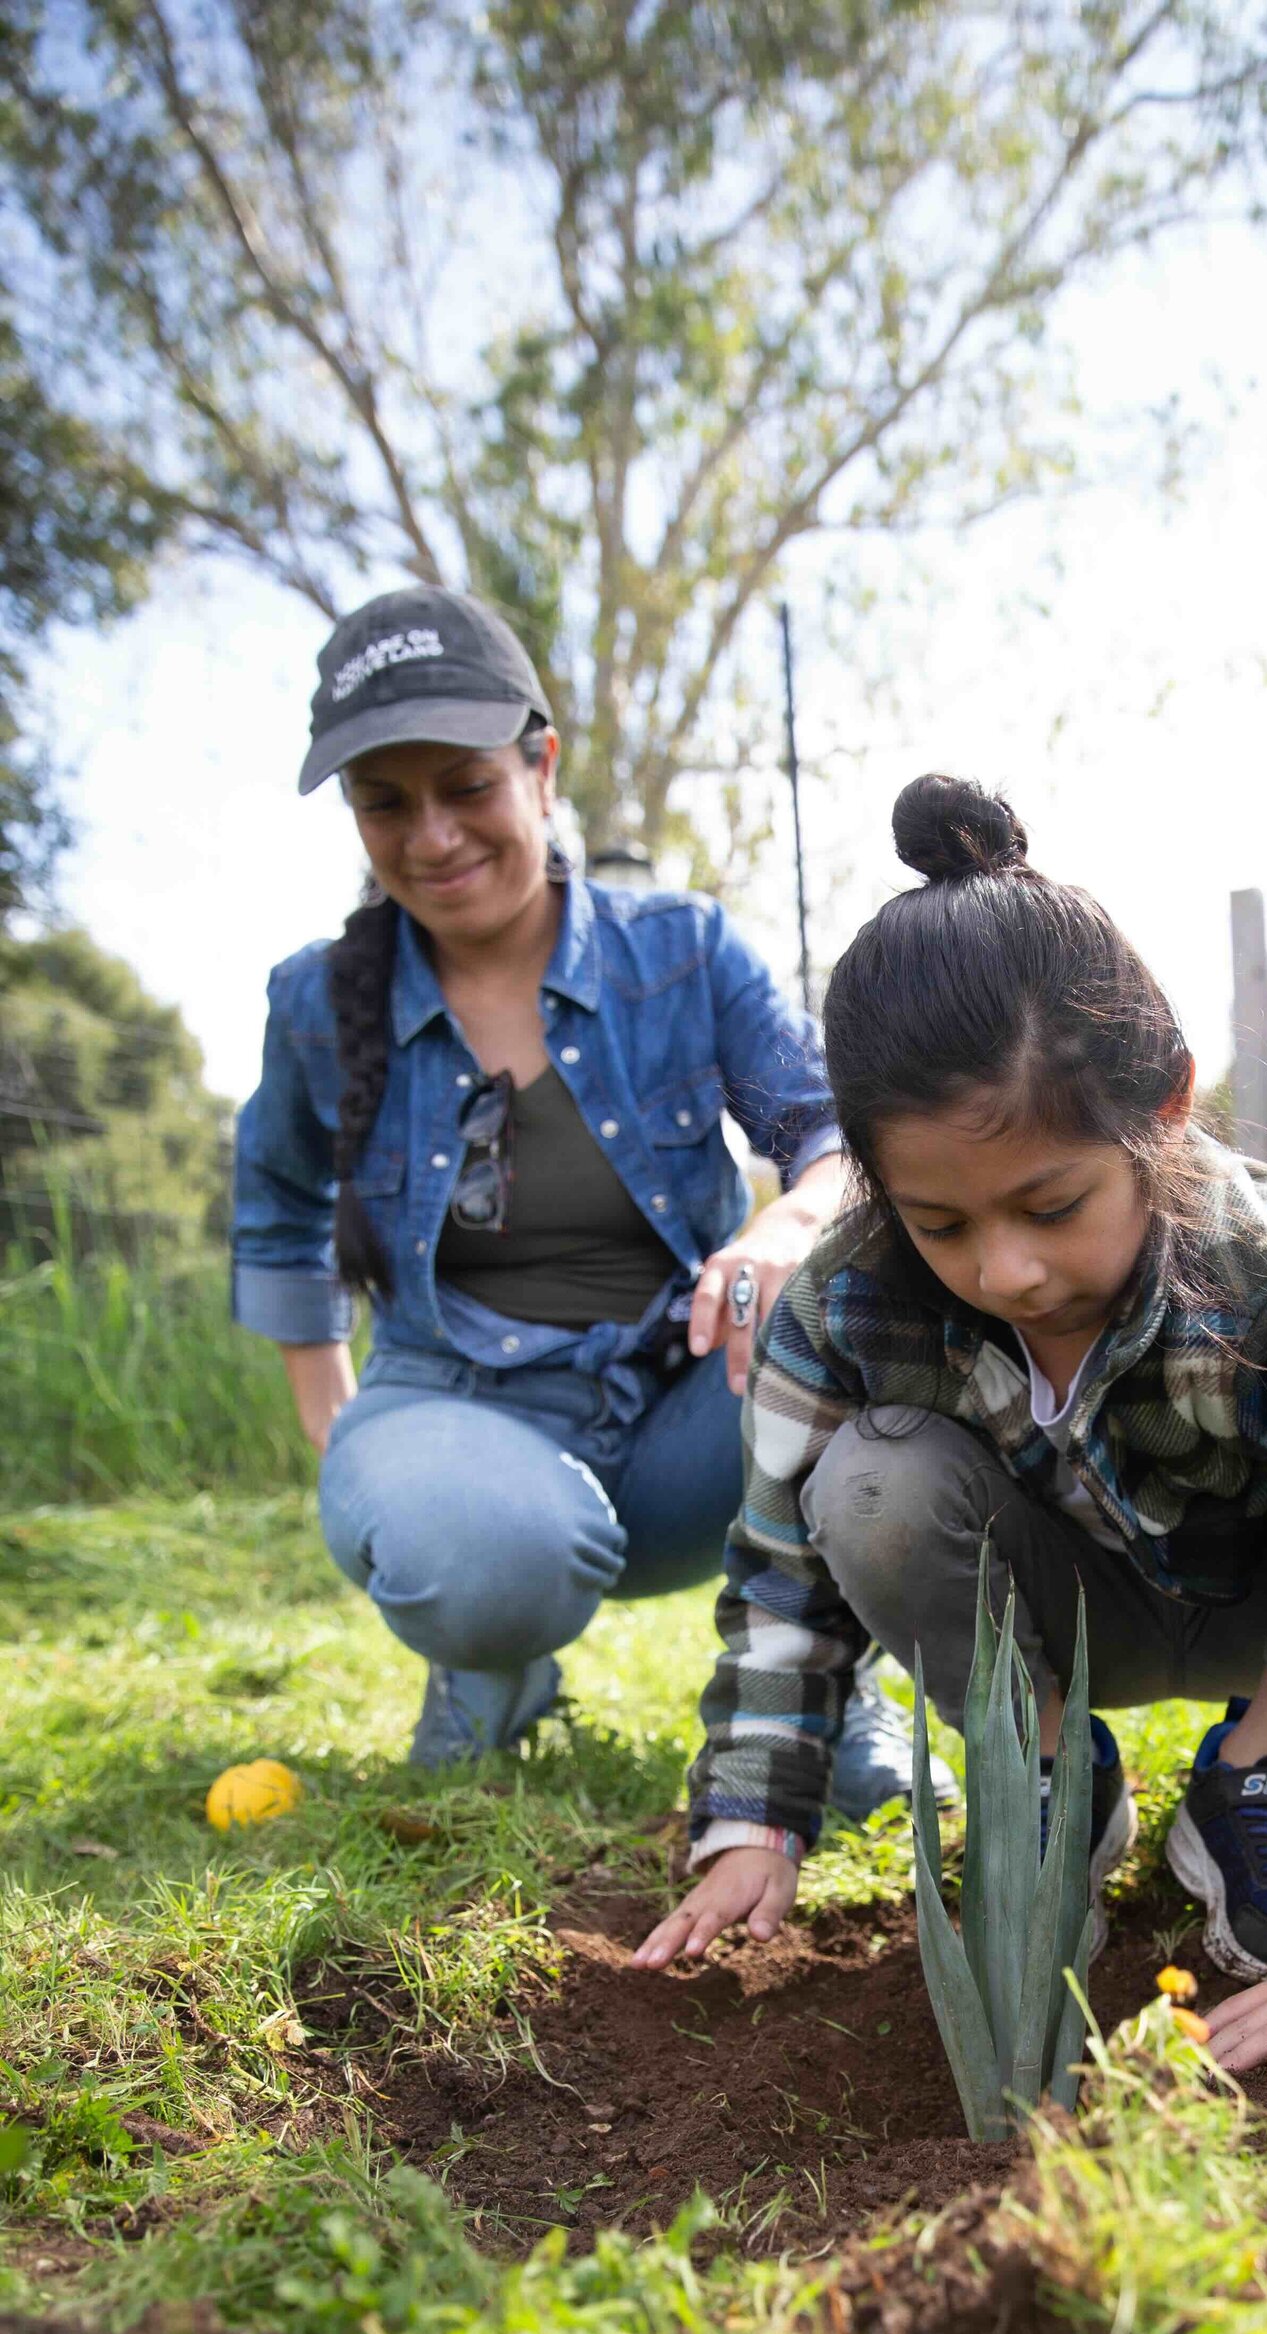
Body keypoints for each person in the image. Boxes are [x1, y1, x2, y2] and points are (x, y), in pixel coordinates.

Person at [633, 774, 1267, 2077]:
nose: (1008, 1271)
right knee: (862, 1484)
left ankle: (1256, 1776)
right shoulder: (846, 1305)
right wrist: (751, 1818)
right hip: (1053, 1628)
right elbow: (781, 1588)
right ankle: (1051, 1790)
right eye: (945, 1223)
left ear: (1169, 1108)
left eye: (1051, 1204)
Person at [231, 581, 927, 1808]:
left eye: (468, 788)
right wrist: (344, 1429)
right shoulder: (312, 1002)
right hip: (456, 1410)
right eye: (384, 805)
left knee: (875, 1312)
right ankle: (483, 1659)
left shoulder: (683, 952)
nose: (432, 837)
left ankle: (828, 1681)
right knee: (481, 1551)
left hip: (681, 1406)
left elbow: (834, 1131)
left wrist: (784, 1223)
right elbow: (278, 1199)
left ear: (540, 768)